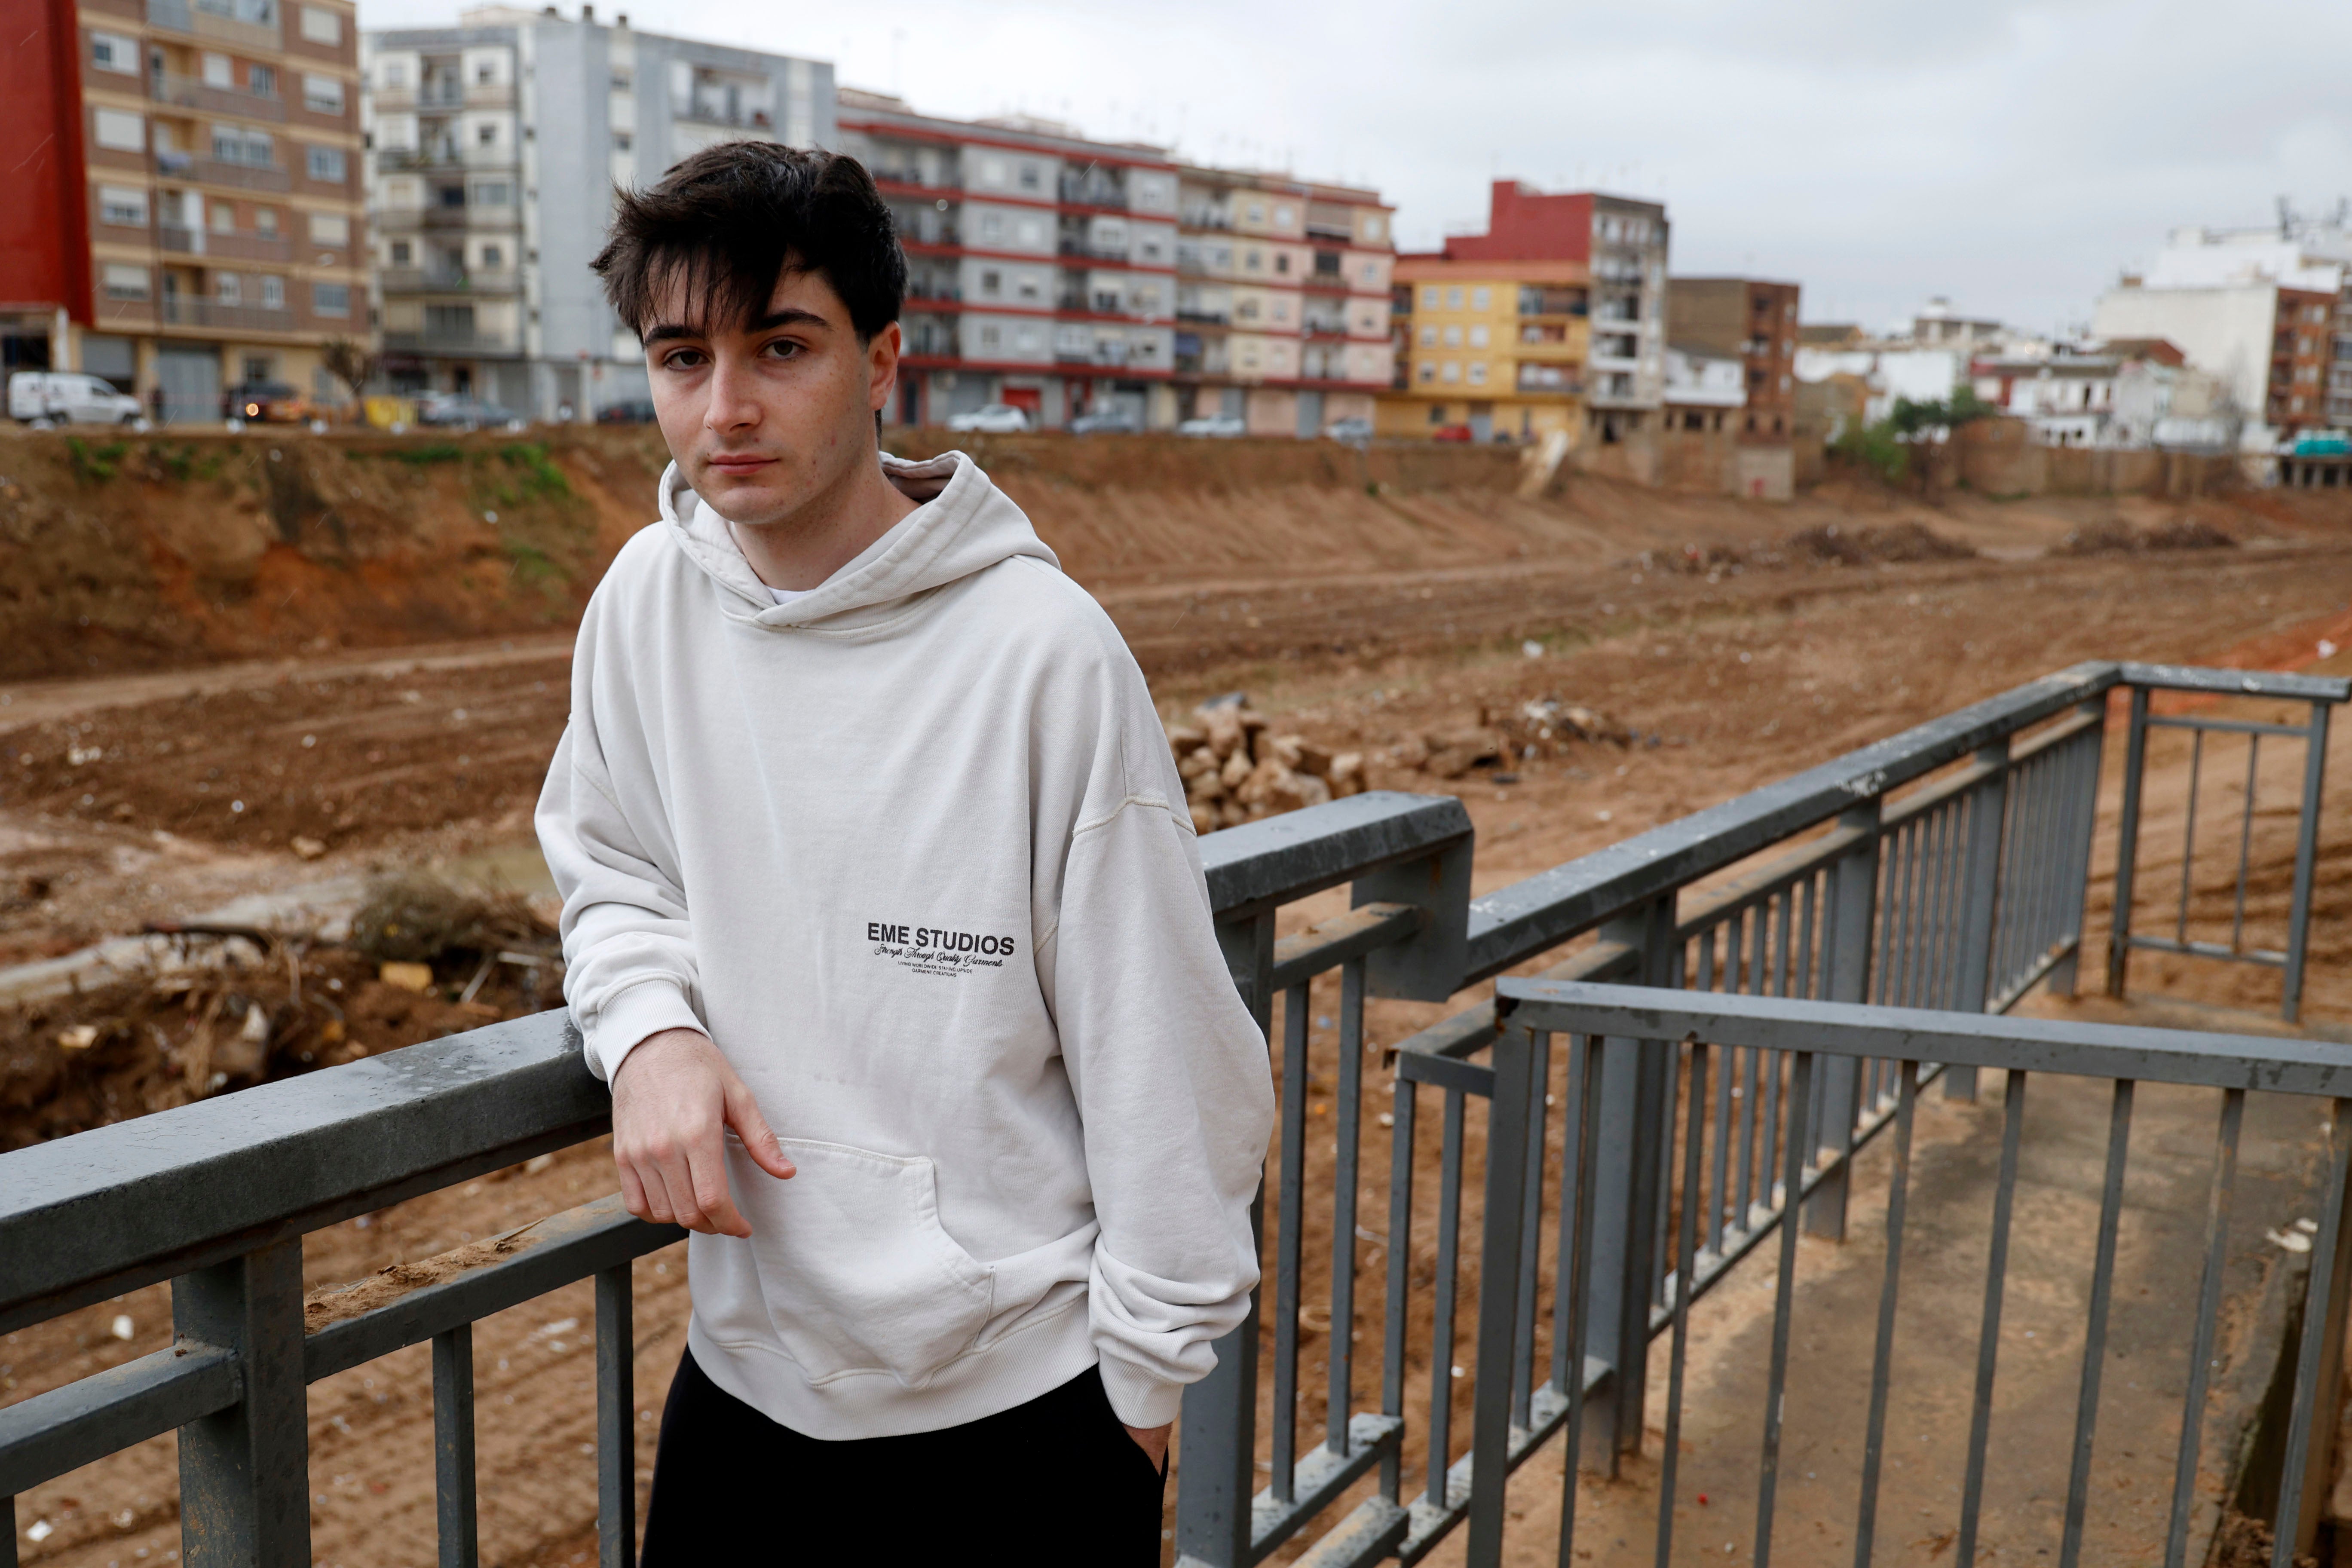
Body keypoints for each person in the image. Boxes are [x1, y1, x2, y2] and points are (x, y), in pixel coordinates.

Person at [535, 141, 1274, 1563]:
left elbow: (1164, 1049)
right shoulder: (645, 605)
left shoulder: (1043, 657)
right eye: (683, 357)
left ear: (882, 363)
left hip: (1022, 1420)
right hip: (747, 1399)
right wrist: (647, 1035)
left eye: (782, 347)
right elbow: (612, 864)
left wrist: (1139, 1394)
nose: (727, 407)